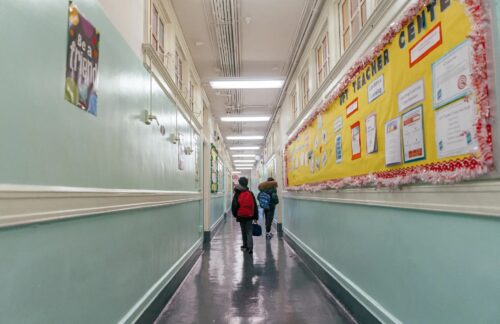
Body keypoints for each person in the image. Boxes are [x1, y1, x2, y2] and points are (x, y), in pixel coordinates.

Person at [232, 177, 259, 254]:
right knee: (249, 231)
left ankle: (245, 246)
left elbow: (234, 205)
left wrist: (235, 214)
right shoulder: (250, 193)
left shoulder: (237, 193)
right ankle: (250, 248)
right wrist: (255, 217)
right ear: (247, 183)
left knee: (243, 231)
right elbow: (254, 205)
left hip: (241, 215)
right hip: (250, 215)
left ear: (240, 183)